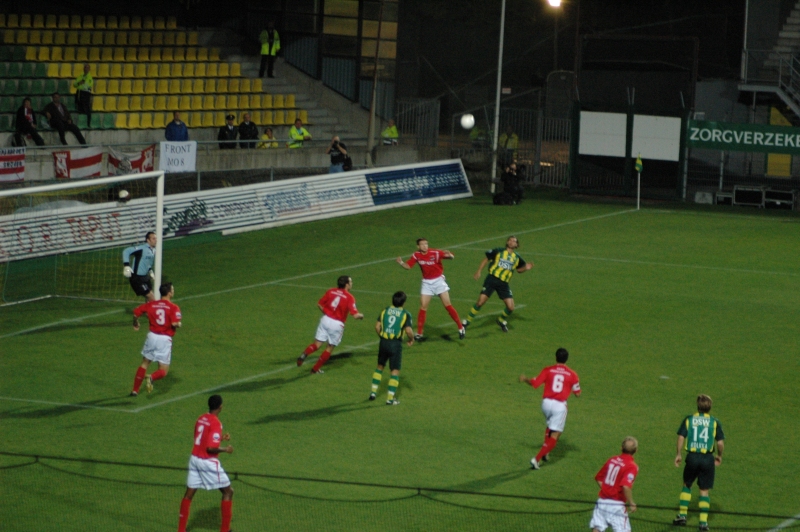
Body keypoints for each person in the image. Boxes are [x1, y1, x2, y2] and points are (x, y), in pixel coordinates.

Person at [177, 394, 234, 532]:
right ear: (220, 407)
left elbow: (200, 438)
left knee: (189, 494)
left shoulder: (201, 418)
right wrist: (225, 449)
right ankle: (225, 530)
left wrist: (219, 438)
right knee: (228, 492)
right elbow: (209, 448)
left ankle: (181, 530)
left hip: (194, 459)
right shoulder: (216, 423)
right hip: (207, 462)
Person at [519, 347, 581, 469]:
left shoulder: (548, 370)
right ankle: (536, 459)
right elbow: (578, 393)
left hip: (546, 404)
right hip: (559, 405)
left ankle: (545, 452)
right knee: (556, 434)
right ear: (566, 359)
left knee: (550, 426)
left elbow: (535, 383)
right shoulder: (572, 374)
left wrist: (525, 378)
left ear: (555, 357)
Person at [672, 394, 725, 531]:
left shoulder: (689, 419)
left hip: (692, 457)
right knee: (704, 490)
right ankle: (703, 523)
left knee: (687, 484)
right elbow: (720, 443)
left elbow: (680, 437)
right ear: (710, 407)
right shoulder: (714, 422)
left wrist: (678, 454)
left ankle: (682, 516)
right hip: (707, 459)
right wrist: (719, 456)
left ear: (698, 406)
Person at [396, 238, 465, 341]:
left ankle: (460, 327)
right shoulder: (416, 255)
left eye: (426, 244)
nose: (425, 246)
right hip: (427, 283)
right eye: (422, 244)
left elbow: (451, 257)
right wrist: (401, 262)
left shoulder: (435, 253)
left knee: (447, 305)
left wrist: (449, 255)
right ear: (418, 246)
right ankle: (419, 333)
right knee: (423, 307)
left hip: (438, 281)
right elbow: (408, 266)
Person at [461, 235, 533, 333]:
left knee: (511, 307)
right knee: (480, 302)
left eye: (514, 241)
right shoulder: (499, 251)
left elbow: (519, 270)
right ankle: (466, 322)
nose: (512, 242)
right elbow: (486, 259)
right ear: (507, 242)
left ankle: (500, 320)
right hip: (492, 279)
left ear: (516, 245)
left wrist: (526, 268)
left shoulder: (517, 258)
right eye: (510, 240)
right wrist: (479, 271)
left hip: (504, 284)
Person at [297, 275, 364, 373]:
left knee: (317, 344)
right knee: (330, 347)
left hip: (325, 319)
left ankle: (304, 354)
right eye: (350, 282)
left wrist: (327, 313)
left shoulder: (331, 291)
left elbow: (319, 304)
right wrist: (361, 316)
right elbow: (354, 315)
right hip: (337, 324)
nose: (351, 284)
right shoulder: (349, 297)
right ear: (346, 284)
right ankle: (315, 369)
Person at [129, 282, 182, 396]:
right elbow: (174, 323)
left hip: (152, 337)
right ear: (169, 293)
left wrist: (135, 322)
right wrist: (179, 324)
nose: (173, 291)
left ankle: (135, 390)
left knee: (144, 363)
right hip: (164, 339)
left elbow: (136, 313)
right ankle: (151, 377)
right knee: (163, 370)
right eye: (172, 289)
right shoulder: (173, 307)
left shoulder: (152, 304)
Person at [369, 291, 414, 405]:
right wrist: (411, 339)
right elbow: (408, 330)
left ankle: (373, 392)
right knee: (394, 370)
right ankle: (390, 399)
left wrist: (382, 336)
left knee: (380, 366)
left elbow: (377, 326)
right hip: (395, 344)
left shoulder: (385, 310)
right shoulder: (405, 314)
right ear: (403, 302)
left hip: (383, 342)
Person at [589, 437, 640, 532]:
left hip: (602, 502)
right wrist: (631, 502)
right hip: (617, 505)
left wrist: (607, 490)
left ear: (621, 448)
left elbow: (599, 478)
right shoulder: (632, 466)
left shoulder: (612, 460)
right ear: (636, 450)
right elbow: (625, 486)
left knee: (597, 529)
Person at [122, 231, 157, 301]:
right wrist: (126, 265)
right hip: (136, 278)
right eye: (153, 239)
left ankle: (147, 311)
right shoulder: (142, 248)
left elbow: (147, 263)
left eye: (156, 238)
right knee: (151, 297)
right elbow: (126, 251)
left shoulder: (153, 250)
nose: (156, 240)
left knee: (149, 297)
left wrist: (150, 272)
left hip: (145, 277)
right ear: (148, 240)